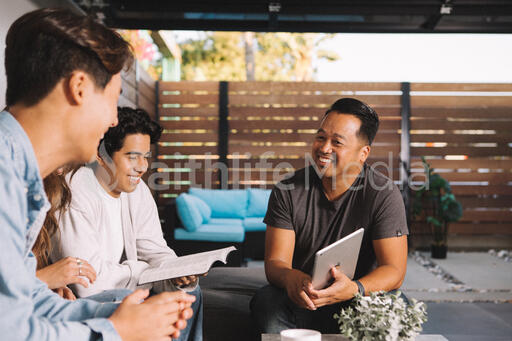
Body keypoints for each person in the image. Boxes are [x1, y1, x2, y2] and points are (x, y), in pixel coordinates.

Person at [0, 7, 194, 340]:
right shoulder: (5, 177)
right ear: (79, 88)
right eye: (112, 99)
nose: (113, 121)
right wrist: (116, 330)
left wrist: (120, 315)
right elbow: (12, 330)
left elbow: (31, 302)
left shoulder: (21, 174)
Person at [250, 98, 409, 333]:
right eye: (321, 137)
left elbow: (394, 270)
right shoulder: (288, 190)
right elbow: (275, 263)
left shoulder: (383, 193)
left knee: (397, 306)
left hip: (358, 298)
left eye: (337, 142)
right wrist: (291, 278)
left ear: (363, 153)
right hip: (304, 299)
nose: (324, 148)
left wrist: (355, 289)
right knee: (266, 302)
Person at [52, 106, 203, 341]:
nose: (142, 167)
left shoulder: (137, 191)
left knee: (188, 293)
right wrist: (143, 270)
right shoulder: (76, 191)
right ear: (102, 156)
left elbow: (154, 249)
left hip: (125, 286)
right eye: (132, 157)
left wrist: (176, 271)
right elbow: (86, 285)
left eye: (146, 157)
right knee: (126, 297)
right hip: (85, 300)